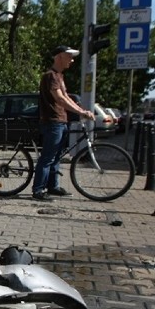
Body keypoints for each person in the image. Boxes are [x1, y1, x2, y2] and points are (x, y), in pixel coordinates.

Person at [31, 46, 95, 201]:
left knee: (56, 156)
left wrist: (81, 110)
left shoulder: (59, 76)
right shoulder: (51, 76)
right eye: (69, 57)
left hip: (60, 120)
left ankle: (53, 186)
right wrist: (81, 112)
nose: (72, 60)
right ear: (59, 57)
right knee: (47, 157)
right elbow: (59, 99)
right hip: (52, 121)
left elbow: (66, 97)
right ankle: (38, 190)